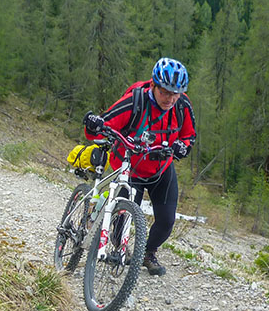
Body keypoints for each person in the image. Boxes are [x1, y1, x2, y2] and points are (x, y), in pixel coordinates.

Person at [83, 57, 196, 276]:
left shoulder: (182, 105)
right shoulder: (135, 101)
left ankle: (147, 252)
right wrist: (94, 125)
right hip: (129, 167)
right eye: (165, 92)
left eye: (176, 93)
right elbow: (103, 125)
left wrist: (183, 146)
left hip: (161, 168)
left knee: (166, 220)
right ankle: (119, 246)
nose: (171, 99)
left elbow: (189, 135)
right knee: (122, 217)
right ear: (153, 85)